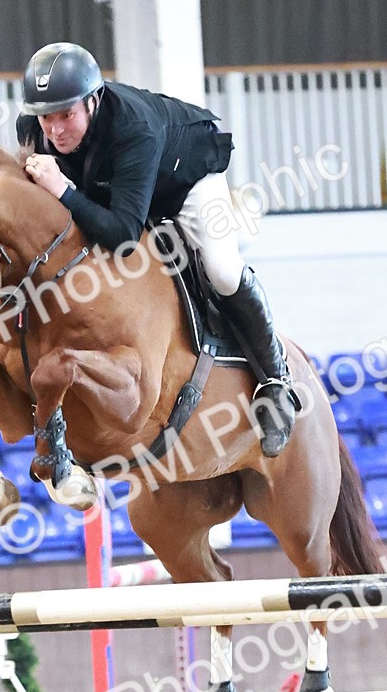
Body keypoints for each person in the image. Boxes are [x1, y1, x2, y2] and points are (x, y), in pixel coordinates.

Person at [16, 41, 297, 457]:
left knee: (220, 269)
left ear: (93, 101)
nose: (55, 130)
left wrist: (61, 189)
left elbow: (124, 236)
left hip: (185, 185)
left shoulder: (133, 128)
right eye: (47, 117)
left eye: (66, 115)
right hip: (120, 193)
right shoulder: (33, 129)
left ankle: (276, 382)